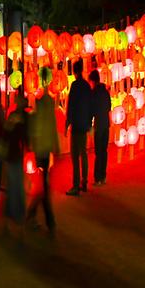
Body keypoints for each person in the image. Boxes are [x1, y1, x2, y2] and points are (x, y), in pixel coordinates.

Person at [27, 67, 59, 234]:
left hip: (41, 148)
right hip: (43, 149)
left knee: (42, 185)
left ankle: (34, 216)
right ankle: (48, 221)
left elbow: (41, 124)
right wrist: (56, 145)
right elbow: (50, 124)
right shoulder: (44, 101)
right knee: (43, 187)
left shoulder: (40, 101)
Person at [65, 59, 93, 195]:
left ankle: (76, 185)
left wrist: (67, 123)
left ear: (74, 72)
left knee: (75, 156)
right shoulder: (87, 86)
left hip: (76, 125)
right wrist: (89, 122)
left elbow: (71, 106)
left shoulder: (75, 86)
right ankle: (85, 181)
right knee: (84, 154)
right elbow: (90, 105)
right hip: (84, 125)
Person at [2, 94, 28, 227]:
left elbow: (6, 134)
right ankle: (17, 213)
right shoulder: (24, 117)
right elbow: (26, 137)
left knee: (14, 185)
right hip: (17, 154)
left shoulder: (14, 116)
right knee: (17, 185)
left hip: (13, 154)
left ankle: (12, 213)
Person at [89, 69, 111, 186]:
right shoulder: (105, 92)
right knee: (104, 151)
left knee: (98, 152)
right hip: (106, 124)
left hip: (98, 126)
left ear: (93, 81)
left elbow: (92, 110)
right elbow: (108, 107)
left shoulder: (94, 93)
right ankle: (103, 176)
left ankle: (97, 178)